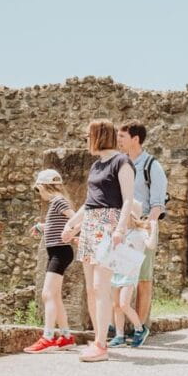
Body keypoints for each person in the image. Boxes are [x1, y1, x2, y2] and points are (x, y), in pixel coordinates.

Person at [62, 119, 136, 363]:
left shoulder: (121, 162)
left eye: (88, 136)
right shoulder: (95, 166)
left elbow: (127, 199)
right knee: (91, 290)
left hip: (109, 224)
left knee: (100, 286)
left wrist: (120, 228)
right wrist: (71, 223)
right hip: (92, 224)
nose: (85, 140)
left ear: (99, 135)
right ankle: (98, 339)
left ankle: (102, 345)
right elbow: (90, 202)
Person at [117, 121, 168, 331]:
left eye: (122, 136)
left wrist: (146, 227)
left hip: (141, 227)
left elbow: (157, 204)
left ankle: (140, 327)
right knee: (119, 277)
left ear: (135, 139)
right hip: (121, 228)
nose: (118, 140)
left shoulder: (151, 166)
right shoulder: (120, 163)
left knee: (143, 279)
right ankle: (120, 326)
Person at [23, 170, 77, 353]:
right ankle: (66, 336)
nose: (39, 195)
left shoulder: (58, 201)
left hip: (60, 252)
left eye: (38, 190)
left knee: (47, 294)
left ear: (43, 187)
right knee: (54, 295)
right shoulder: (56, 202)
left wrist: (73, 233)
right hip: (57, 251)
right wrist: (42, 226)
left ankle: (48, 337)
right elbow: (58, 224)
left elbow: (75, 218)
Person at [108, 201, 157, 349]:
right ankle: (119, 335)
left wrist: (154, 229)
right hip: (117, 271)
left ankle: (139, 329)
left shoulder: (140, 233)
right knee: (116, 305)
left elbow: (151, 246)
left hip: (130, 273)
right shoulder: (119, 232)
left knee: (124, 304)